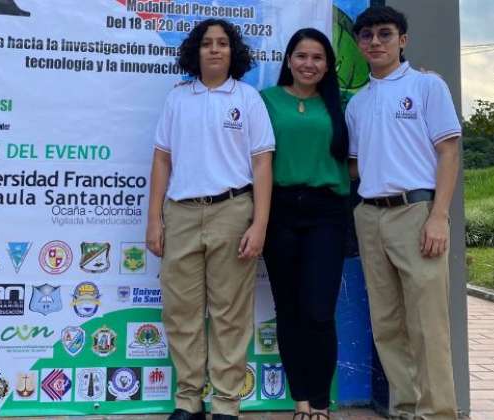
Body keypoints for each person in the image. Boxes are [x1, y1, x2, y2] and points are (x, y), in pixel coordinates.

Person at [145, 18, 275, 420]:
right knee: (181, 312)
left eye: (222, 43)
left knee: (229, 313)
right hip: (181, 213)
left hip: (233, 210)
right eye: (206, 43)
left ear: (233, 51)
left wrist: (259, 225)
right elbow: (162, 159)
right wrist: (154, 218)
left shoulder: (248, 98)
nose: (215, 49)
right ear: (195, 52)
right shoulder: (178, 98)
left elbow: (262, 163)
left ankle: (225, 403)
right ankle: (188, 399)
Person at [345, 6, 461, 420]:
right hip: (370, 216)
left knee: (429, 326)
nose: (375, 42)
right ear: (358, 45)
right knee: (388, 324)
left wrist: (438, 215)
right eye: (367, 36)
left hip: (416, 212)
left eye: (385, 34)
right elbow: (355, 165)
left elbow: (448, 151)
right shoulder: (357, 103)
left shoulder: (428, 86)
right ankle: (407, 409)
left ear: (402, 40)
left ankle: (437, 413)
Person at [260, 28, 350, 420]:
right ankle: (300, 401)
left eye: (317, 57)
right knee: (290, 310)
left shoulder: (343, 104)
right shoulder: (265, 101)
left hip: (327, 212)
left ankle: (320, 402)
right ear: (289, 61)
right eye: (301, 56)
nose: (308, 64)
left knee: (319, 310)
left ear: (328, 64)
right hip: (279, 211)